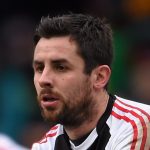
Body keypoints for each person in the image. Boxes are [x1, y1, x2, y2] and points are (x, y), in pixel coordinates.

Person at [31, 13, 150, 150]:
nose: (43, 80)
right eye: (39, 68)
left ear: (99, 77)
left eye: (60, 67)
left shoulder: (139, 125)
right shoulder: (45, 146)